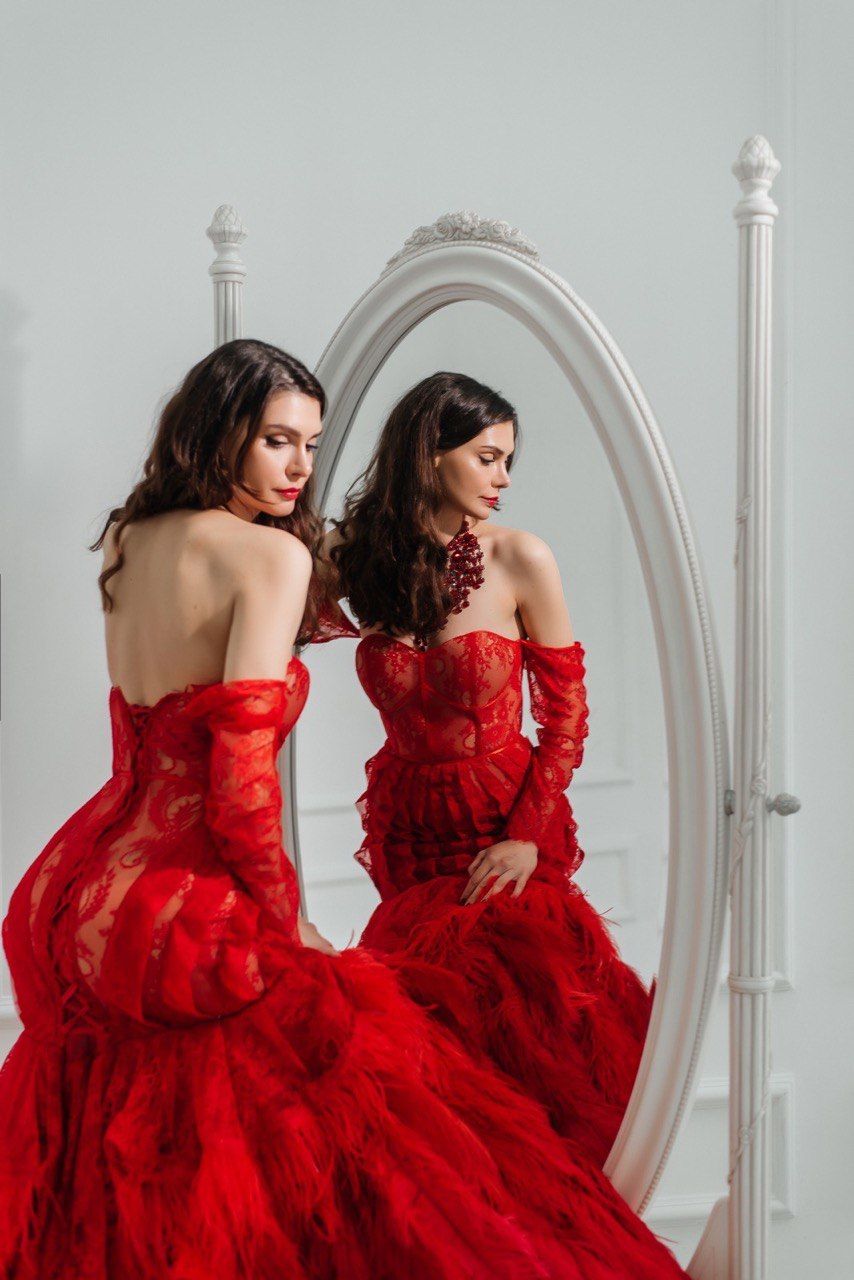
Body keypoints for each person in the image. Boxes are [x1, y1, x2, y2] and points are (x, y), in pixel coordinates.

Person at [0, 341, 688, 1279]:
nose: (299, 467)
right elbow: (241, 780)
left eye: (312, 445)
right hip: (194, 896)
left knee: (131, 1155)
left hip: (75, 887)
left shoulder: (131, 538)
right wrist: (285, 920)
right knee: (380, 1148)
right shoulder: (271, 556)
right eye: (276, 441)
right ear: (219, 431)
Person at [329, 371, 655, 1169]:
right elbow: (273, 610)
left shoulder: (520, 556)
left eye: (509, 459)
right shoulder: (357, 558)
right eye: (487, 457)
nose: (504, 477)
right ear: (429, 454)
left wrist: (528, 837)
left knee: (530, 1049)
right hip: (409, 832)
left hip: (501, 822)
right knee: (434, 1060)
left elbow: (566, 716)